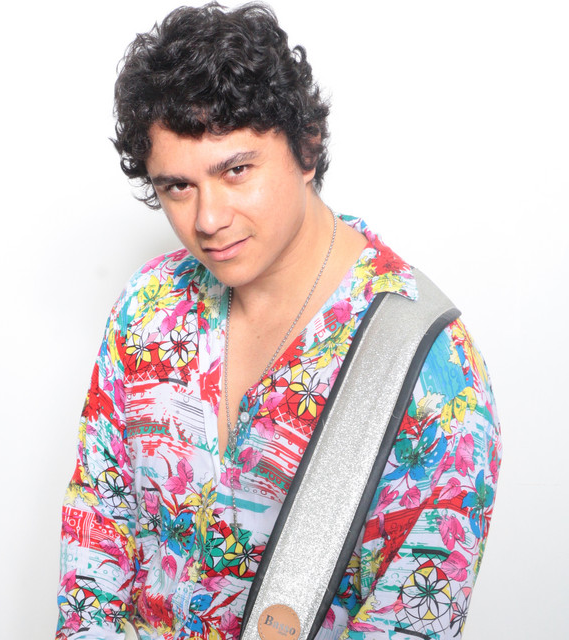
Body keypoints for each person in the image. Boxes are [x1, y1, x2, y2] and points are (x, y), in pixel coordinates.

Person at [56, 3, 501, 639]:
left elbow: (413, 619)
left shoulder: (433, 374)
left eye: (236, 171)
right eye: (178, 187)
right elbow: (94, 551)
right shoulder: (148, 307)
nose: (208, 219)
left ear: (307, 148)